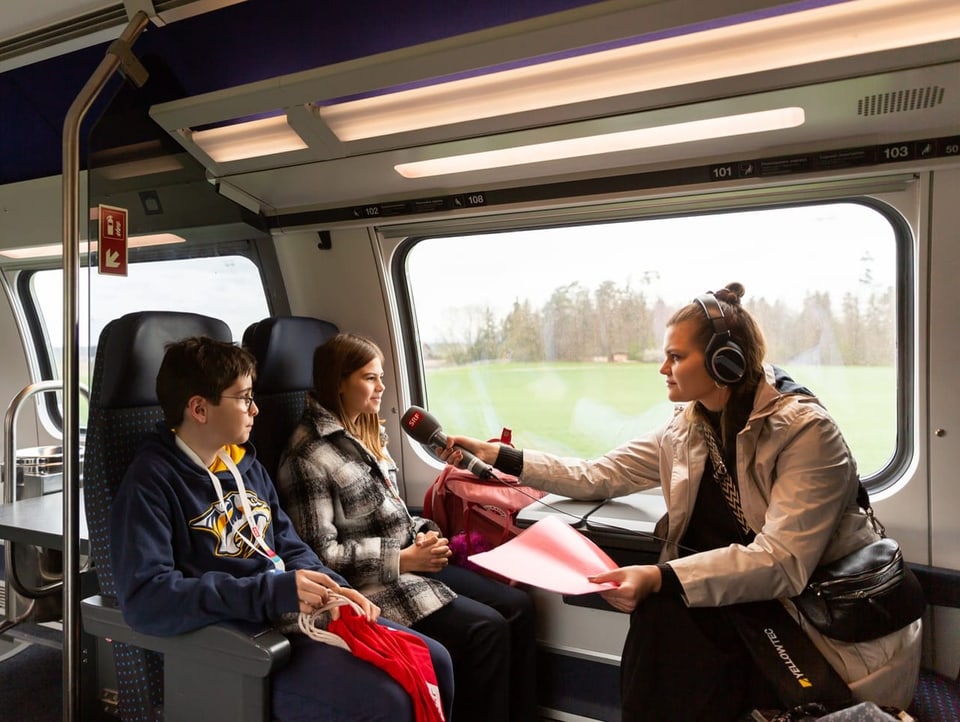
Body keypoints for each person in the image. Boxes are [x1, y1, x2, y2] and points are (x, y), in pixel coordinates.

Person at [438, 283, 923, 722]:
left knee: (663, 617)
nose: (662, 369)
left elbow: (784, 561)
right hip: (736, 605)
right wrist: (501, 456)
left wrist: (661, 576)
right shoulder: (688, 427)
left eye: (676, 356)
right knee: (659, 621)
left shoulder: (806, 433)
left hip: (803, 612)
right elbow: (601, 473)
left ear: (724, 363)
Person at [110, 336, 454, 722]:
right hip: (236, 643)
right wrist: (270, 592)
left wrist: (332, 585)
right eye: (243, 398)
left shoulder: (245, 466)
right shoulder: (151, 482)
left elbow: (288, 546)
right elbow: (147, 598)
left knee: (436, 661)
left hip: (287, 617)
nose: (255, 409)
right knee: (386, 699)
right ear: (199, 409)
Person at [275, 332, 538, 722]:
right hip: (373, 582)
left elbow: (390, 512)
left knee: (519, 607)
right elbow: (320, 556)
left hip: (411, 560)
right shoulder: (307, 456)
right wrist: (402, 559)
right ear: (339, 383)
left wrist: (424, 533)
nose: (382, 386)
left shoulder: (366, 433)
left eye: (380, 376)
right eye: (370, 378)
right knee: (486, 630)